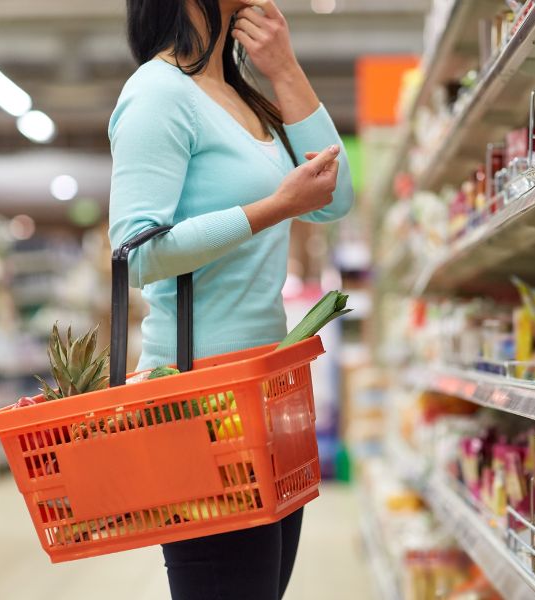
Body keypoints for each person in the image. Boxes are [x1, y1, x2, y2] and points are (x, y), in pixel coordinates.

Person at [108, 0, 353, 598]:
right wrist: (275, 208)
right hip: (198, 407)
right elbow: (135, 253)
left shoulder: (243, 95)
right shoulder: (158, 93)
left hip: (264, 395)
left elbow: (334, 197)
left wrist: (285, 69)